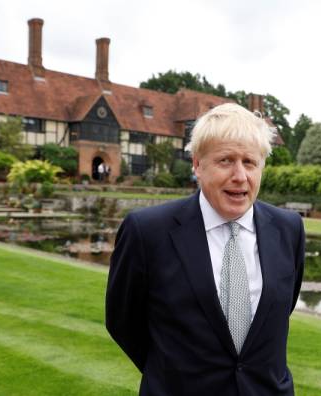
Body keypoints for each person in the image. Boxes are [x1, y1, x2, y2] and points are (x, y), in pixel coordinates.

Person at [106, 103, 305, 395]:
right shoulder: (147, 231)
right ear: (197, 164)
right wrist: (170, 373)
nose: (240, 176)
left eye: (249, 162)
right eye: (226, 160)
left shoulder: (289, 229)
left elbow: (279, 312)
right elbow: (122, 322)